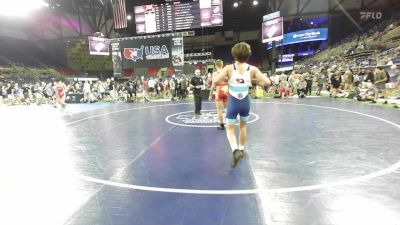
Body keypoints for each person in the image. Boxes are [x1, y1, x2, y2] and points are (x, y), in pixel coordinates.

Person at [213, 42, 272, 168]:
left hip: (233, 102)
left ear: (234, 54)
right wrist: (254, 79)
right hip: (245, 102)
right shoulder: (253, 69)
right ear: (248, 55)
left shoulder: (229, 68)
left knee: (230, 129)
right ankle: (241, 149)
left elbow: (215, 80)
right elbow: (267, 82)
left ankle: (235, 150)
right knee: (243, 126)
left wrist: (226, 78)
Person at [209, 60, 228, 130]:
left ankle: (222, 125)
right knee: (227, 109)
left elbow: (213, 85)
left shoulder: (215, 73)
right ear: (222, 64)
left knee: (219, 110)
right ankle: (229, 124)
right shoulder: (226, 72)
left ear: (215, 65)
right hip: (226, 90)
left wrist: (210, 94)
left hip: (219, 91)